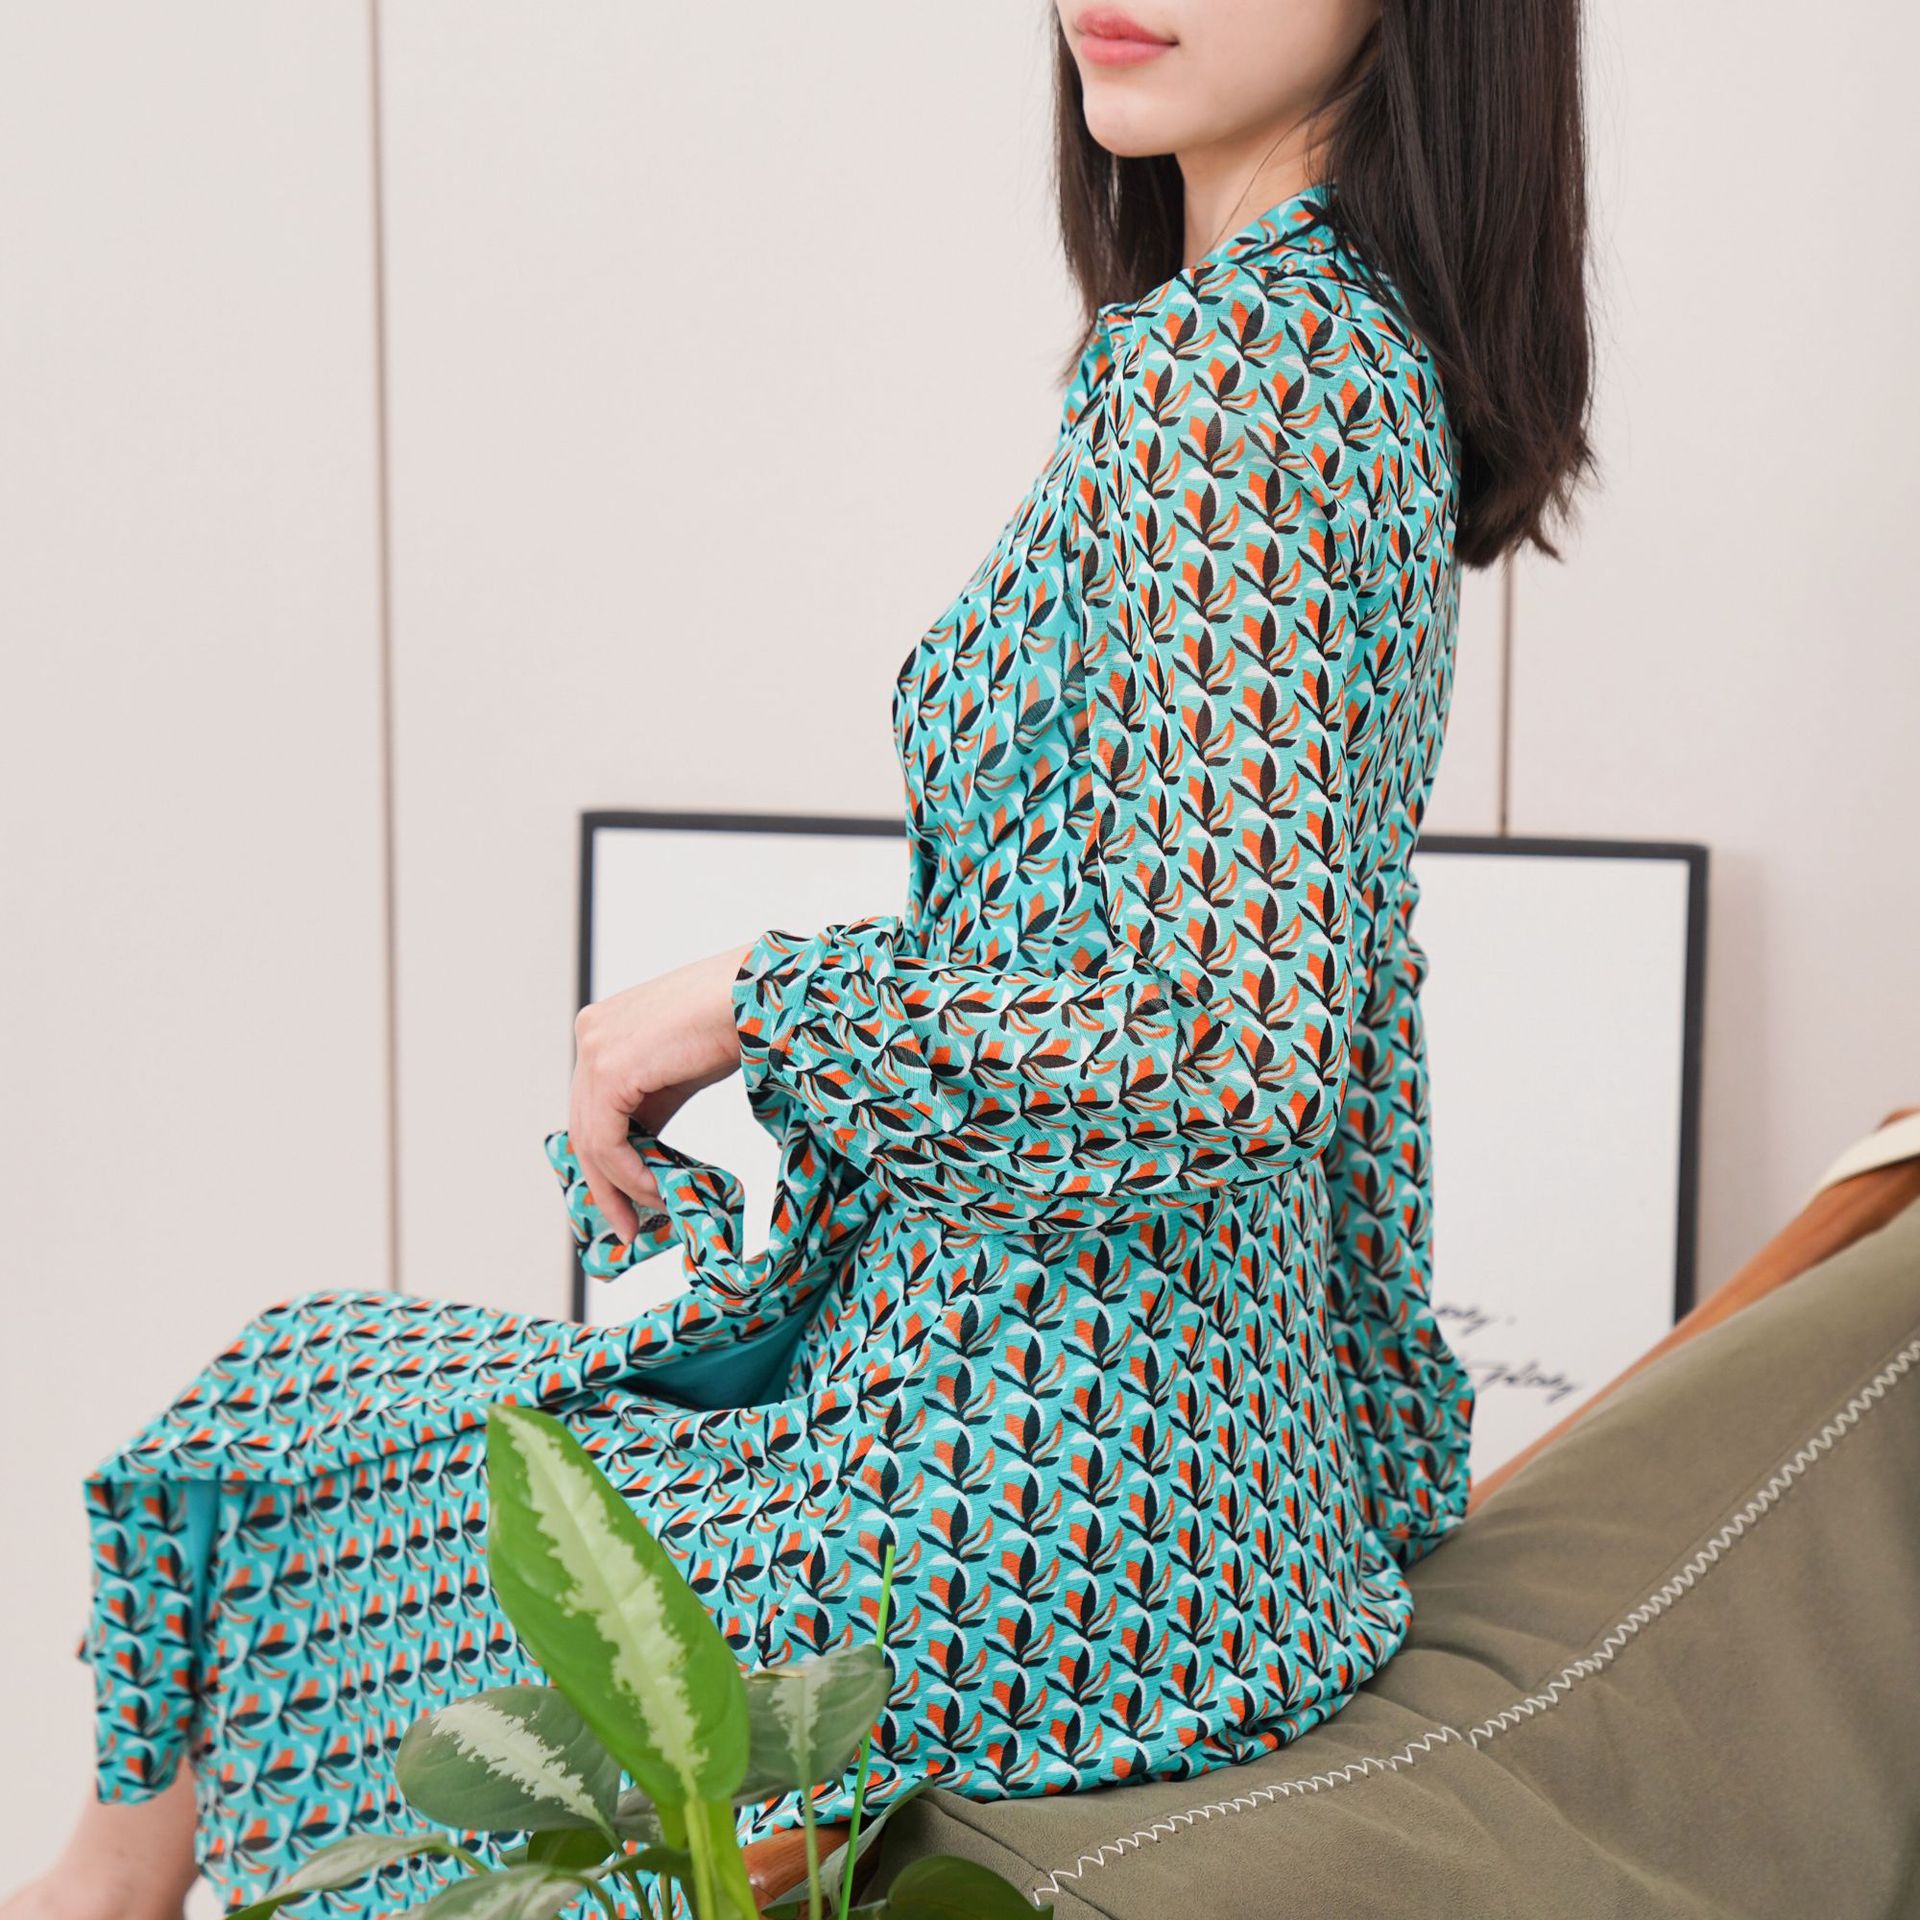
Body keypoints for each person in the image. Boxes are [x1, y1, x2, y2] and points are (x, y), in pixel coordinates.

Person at [4, 0, 1593, 1913]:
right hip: (1211, 1503)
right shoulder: (1351, 349)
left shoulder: (1230, 371)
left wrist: (753, 1002)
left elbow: (1232, 1044)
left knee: (282, 1430)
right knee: (331, 1420)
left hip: (1030, 1511)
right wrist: (1374, 1455)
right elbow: (1328, 997)